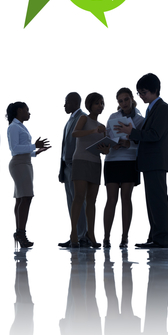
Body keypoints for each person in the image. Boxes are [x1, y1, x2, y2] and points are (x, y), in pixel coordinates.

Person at [115, 73, 168, 249]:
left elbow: (155, 135)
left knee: (158, 200)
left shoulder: (163, 108)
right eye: (139, 92)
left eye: (144, 92)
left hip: (156, 161)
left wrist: (131, 132)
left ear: (155, 90)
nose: (141, 96)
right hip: (150, 162)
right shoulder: (152, 109)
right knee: (152, 201)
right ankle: (155, 236)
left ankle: (162, 238)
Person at [67, 92, 110, 249]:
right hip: (80, 160)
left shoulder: (102, 126)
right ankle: (73, 233)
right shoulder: (84, 118)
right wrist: (93, 131)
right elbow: (75, 133)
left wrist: (106, 149)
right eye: (98, 103)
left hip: (95, 162)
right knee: (79, 197)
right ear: (90, 105)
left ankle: (90, 234)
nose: (101, 106)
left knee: (92, 200)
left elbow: (105, 151)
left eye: (102, 103)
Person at [103, 88, 144, 248]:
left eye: (126, 99)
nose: (123, 103)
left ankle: (124, 237)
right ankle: (106, 238)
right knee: (111, 199)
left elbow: (142, 141)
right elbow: (108, 136)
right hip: (112, 160)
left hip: (129, 160)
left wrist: (130, 143)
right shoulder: (113, 117)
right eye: (120, 101)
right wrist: (110, 144)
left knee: (126, 198)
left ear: (132, 99)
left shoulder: (140, 120)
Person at [6, 102, 50, 248]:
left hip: (25, 163)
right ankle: (20, 232)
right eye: (27, 110)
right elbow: (15, 148)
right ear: (19, 111)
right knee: (26, 197)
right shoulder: (13, 127)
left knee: (21, 198)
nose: (29, 113)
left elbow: (23, 149)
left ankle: (19, 232)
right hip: (19, 164)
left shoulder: (20, 126)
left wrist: (36, 152)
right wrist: (34, 146)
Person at [58, 92, 86, 248]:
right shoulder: (70, 120)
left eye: (67, 102)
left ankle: (83, 235)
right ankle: (75, 235)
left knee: (79, 202)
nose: (64, 105)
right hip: (67, 167)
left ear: (75, 102)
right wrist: (61, 170)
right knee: (71, 203)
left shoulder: (83, 118)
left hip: (77, 166)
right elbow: (64, 146)